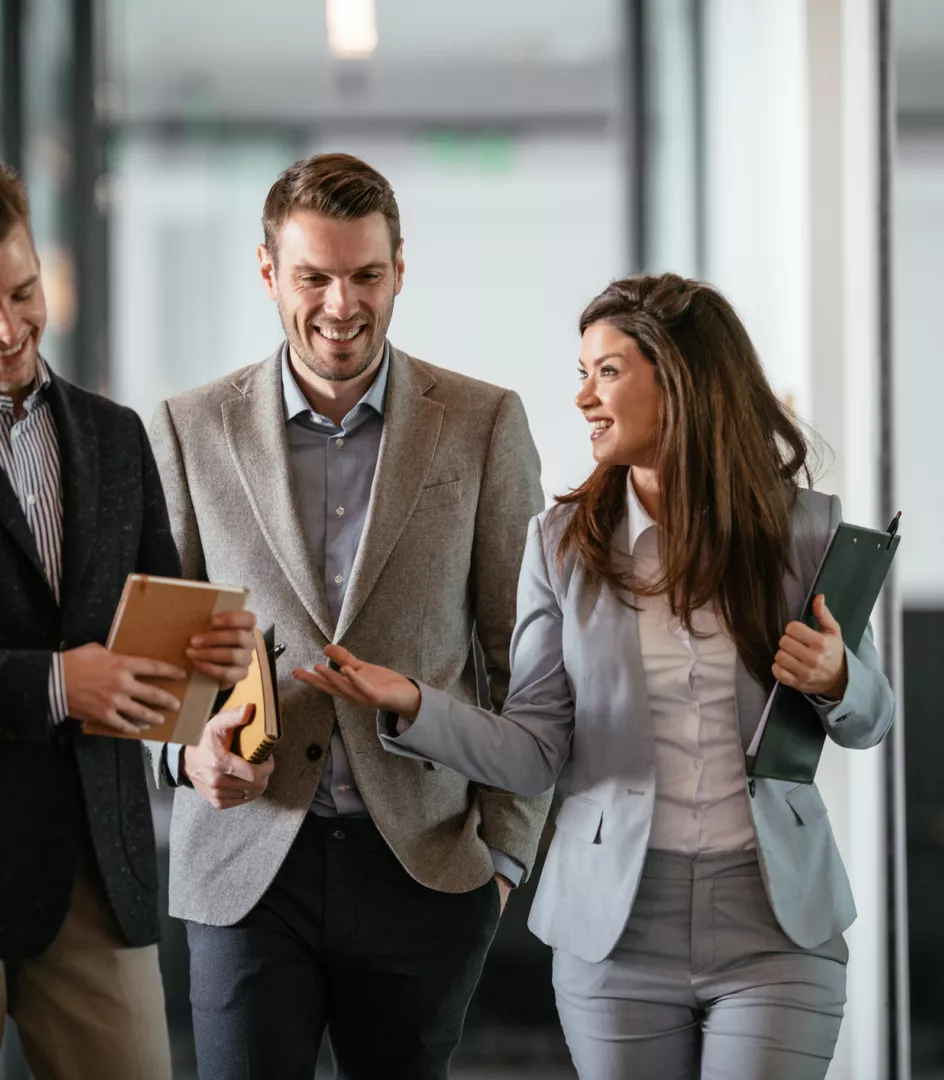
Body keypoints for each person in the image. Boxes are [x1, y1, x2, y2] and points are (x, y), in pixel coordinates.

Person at [297, 273, 896, 1080]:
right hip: (616, 937)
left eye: (606, 371)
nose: (582, 397)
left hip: (777, 930)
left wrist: (835, 679)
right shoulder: (560, 547)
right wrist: (413, 704)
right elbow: (535, 748)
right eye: (581, 373)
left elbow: (874, 718)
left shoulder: (805, 533)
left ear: (680, 378)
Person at [147, 152, 553, 1080]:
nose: (342, 304)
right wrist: (183, 753)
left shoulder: (485, 424)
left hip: (425, 864)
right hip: (248, 868)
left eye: (366, 275)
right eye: (313, 277)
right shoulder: (188, 427)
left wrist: (504, 863)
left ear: (401, 269)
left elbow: (526, 660)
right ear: (267, 272)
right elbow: (157, 667)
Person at [0, 163, 257, 1080]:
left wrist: (209, 664)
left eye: (23, 293)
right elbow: (83, 674)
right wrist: (59, 682)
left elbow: (155, 668)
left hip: (94, 870)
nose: (9, 328)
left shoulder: (115, 435)